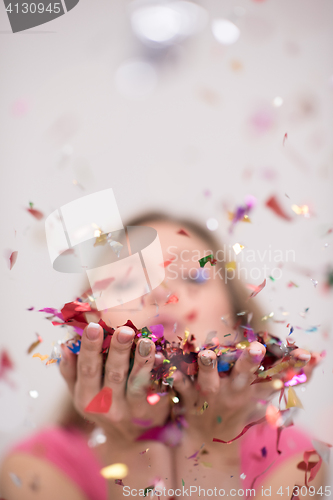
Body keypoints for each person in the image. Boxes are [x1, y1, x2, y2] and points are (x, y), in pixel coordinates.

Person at [0, 212, 328, 500]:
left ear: (242, 321)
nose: (161, 292)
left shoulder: (294, 460)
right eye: (129, 282)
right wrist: (130, 449)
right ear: (91, 321)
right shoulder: (37, 468)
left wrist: (213, 447)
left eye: (193, 275)